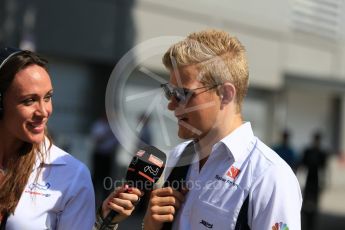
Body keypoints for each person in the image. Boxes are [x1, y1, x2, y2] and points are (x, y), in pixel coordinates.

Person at [142, 29, 302, 230]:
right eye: (169, 92)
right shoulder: (178, 157)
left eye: (182, 94)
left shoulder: (270, 177)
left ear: (225, 94)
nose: (171, 105)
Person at [0, 47, 143, 230]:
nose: (44, 112)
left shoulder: (72, 174)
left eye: (48, 97)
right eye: (29, 100)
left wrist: (103, 223)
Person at [300, 131, 328, 230]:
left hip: (316, 180)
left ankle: (312, 223)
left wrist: (323, 182)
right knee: (306, 202)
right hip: (308, 179)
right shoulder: (308, 151)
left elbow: (323, 169)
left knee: (314, 203)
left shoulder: (321, 153)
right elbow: (302, 165)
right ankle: (306, 222)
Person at [90, 112, 119, 205]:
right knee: (96, 177)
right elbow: (96, 139)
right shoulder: (98, 125)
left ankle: (105, 199)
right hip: (99, 154)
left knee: (106, 178)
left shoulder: (113, 126)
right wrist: (107, 133)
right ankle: (91, 197)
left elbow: (116, 141)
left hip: (108, 155)